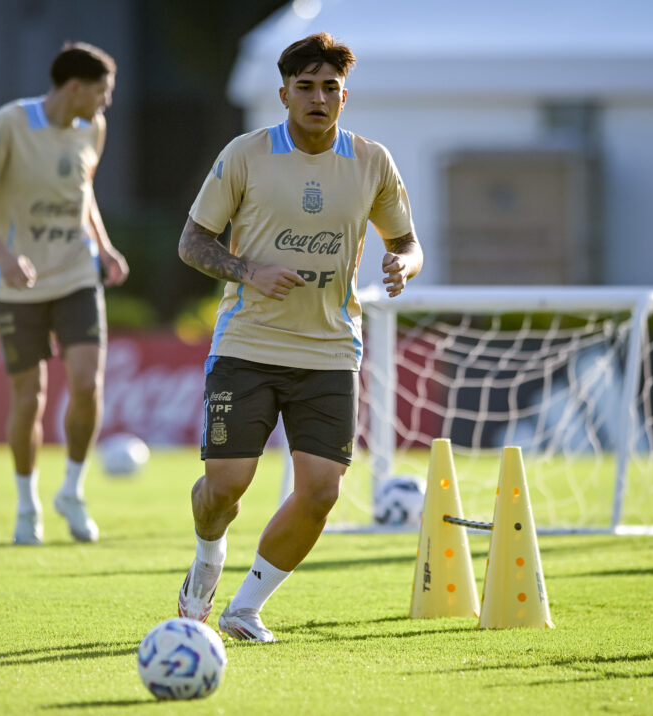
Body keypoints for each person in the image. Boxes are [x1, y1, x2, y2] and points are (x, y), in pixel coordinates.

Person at [176, 32, 423, 641]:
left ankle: (245, 609)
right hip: (247, 344)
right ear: (284, 94)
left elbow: (407, 243)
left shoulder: (372, 162)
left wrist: (403, 267)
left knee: (320, 491)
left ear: (344, 97)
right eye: (306, 87)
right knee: (226, 487)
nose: (318, 97)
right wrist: (248, 270)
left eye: (330, 87)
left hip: (331, 349)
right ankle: (207, 559)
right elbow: (193, 243)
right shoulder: (245, 154)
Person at [0, 42, 128, 546]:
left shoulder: (91, 128)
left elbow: (84, 190)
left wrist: (105, 246)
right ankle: (27, 504)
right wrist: (3, 257)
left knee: (87, 384)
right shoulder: (9, 123)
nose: (106, 103)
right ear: (74, 88)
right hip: (18, 285)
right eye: (102, 92)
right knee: (29, 399)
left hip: (76, 275)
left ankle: (72, 491)